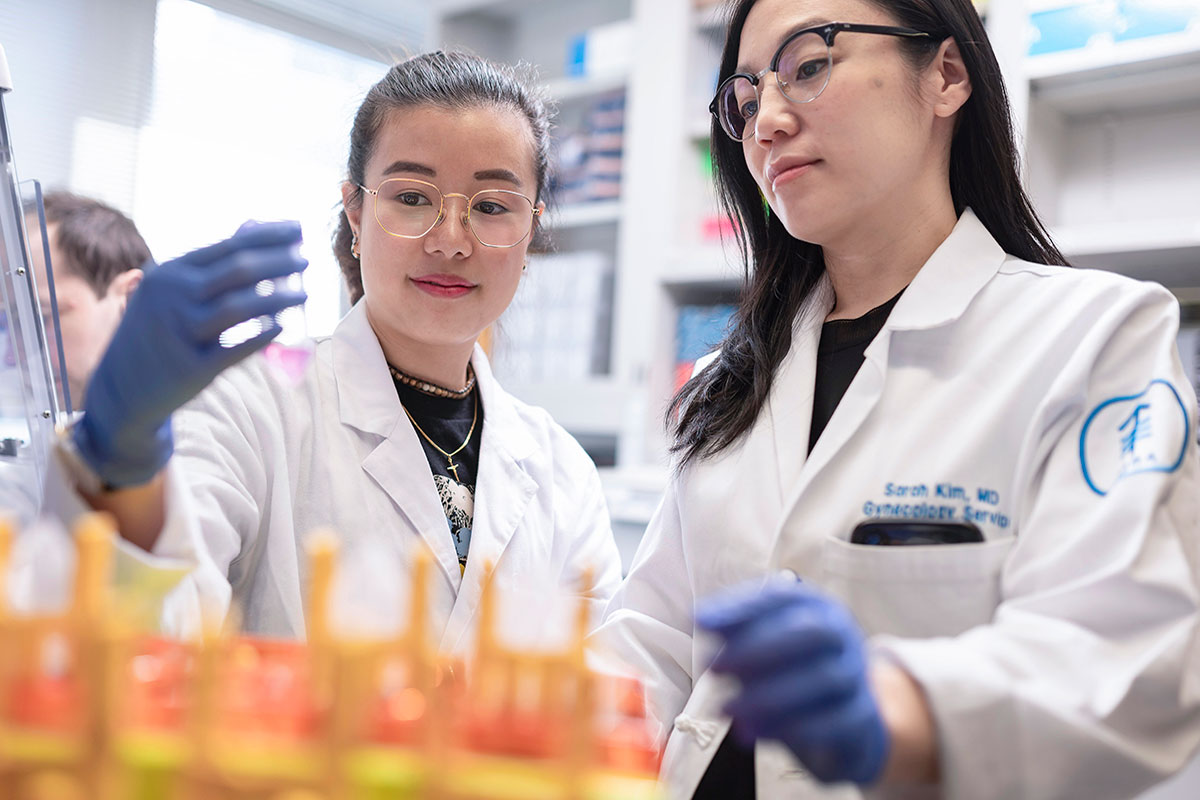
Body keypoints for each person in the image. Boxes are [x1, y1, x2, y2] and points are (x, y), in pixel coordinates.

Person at [593, 0, 1200, 798]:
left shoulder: (1093, 338)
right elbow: (661, 637)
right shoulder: (732, 377)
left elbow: (1124, 658)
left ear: (946, 75)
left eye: (808, 65)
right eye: (743, 99)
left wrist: (900, 707)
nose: (764, 123)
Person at [48, 52, 622, 646]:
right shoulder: (248, 408)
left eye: (493, 207)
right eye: (412, 198)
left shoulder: (564, 473)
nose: (451, 242)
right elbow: (152, 636)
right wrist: (119, 455)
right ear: (356, 209)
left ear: (531, 228)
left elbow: (600, 691)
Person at [28, 191, 151, 409]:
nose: (11, 358)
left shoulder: (181, 423)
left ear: (130, 299)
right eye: (6, 325)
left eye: (41, 320)